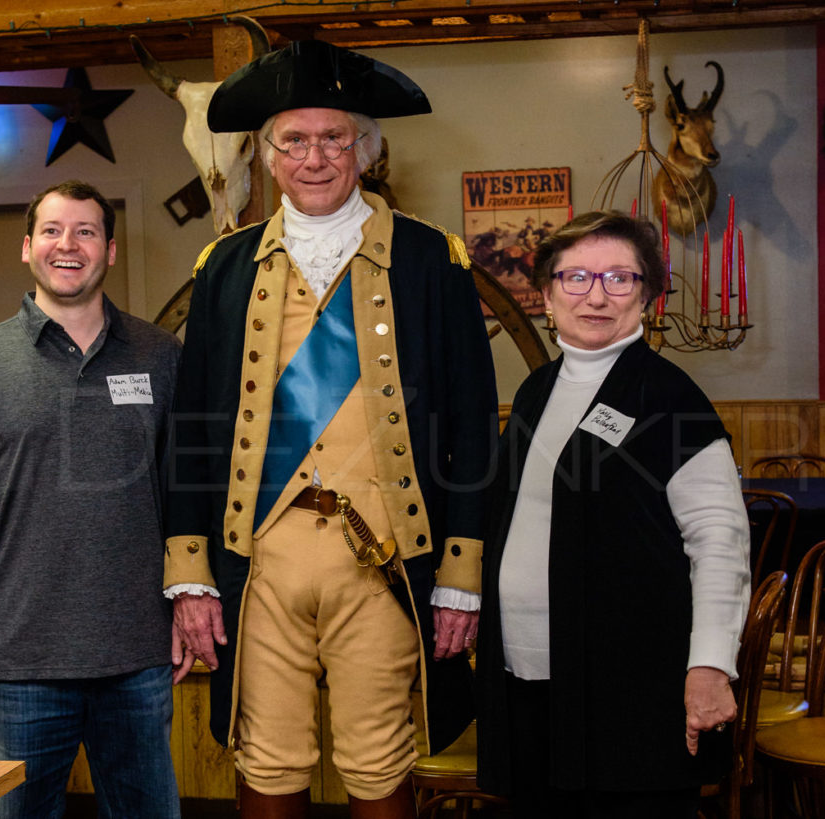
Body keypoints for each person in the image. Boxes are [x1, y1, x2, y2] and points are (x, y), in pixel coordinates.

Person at [165, 40, 497, 818]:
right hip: (261, 561)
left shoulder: (430, 260)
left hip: (382, 558)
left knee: (380, 763)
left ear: (365, 150)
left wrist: (460, 572)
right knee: (266, 759)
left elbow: (474, 428)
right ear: (268, 156)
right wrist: (190, 570)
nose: (315, 158)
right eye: (294, 140)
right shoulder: (225, 265)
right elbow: (192, 427)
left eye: (333, 138)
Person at [475, 211, 751, 818]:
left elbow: (720, 543)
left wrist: (709, 665)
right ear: (547, 295)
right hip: (528, 676)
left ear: (647, 296)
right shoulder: (536, 391)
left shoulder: (669, 397)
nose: (596, 295)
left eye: (619, 278)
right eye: (575, 278)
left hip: (632, 686)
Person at [0, 180, 182, 819]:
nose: (69, 245)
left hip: (138, 653)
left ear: (111, 251)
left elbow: (185, 500)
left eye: (86, 231)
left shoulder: (160, 356)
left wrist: (190, 596)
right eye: (53, 231)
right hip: (20, 660)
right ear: (27, 247)